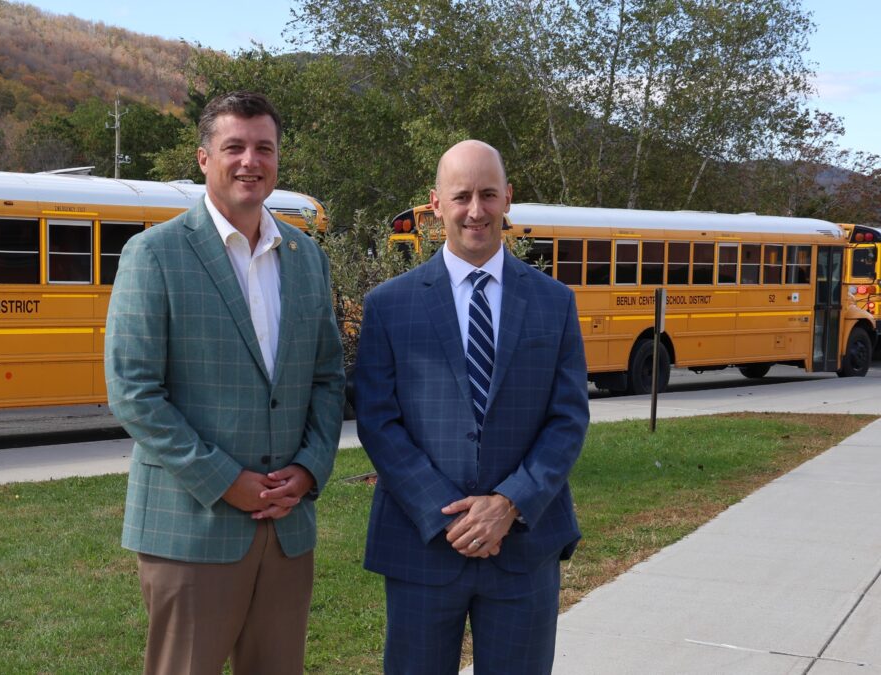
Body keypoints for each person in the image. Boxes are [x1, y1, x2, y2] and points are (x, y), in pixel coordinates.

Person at [105, 91, 345, 675]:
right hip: (192, 526)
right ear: (203, 158)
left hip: (287, 527)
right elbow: (134, 392)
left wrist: (311, 468)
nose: (250, 160)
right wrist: (225, 481)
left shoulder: (306, 255)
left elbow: (327, 376)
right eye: (234, 146)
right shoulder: (155, 254)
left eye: (264, 147)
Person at [354, 139, 589, 674]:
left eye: (488, 194)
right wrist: (449, 515)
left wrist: (508, 503)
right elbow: (378, 420)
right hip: (422, 543)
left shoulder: (554, 302)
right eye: (461, 196)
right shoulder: (390, 306)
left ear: (508, 198)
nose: (476, 210)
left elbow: (568, 417)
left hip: (525, 545)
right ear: (436, 204)